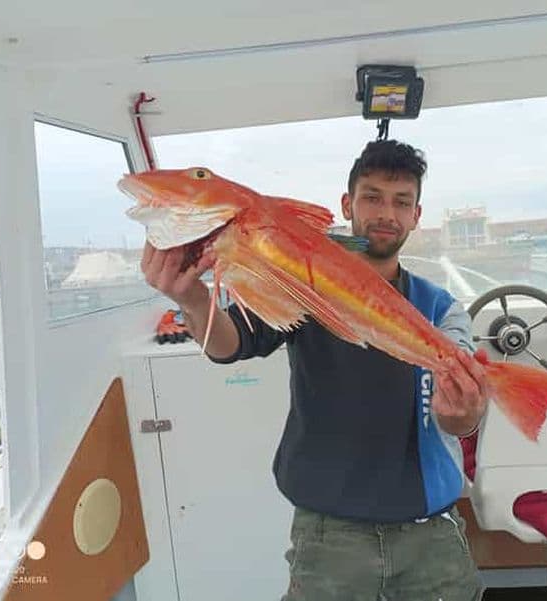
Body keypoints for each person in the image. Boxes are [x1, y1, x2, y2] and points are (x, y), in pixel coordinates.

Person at [141, 139, 490, 600]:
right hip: (330, 531)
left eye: (401, 202)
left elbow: (460, 420)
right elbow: (232, 345)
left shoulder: (441, 309)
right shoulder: (302, 282)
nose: (386, 213)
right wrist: (192, 299)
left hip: (428, 529)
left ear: (416, 215)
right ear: (348, 204)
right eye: (372, 197)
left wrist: (462, 410)